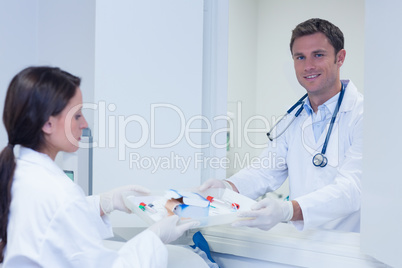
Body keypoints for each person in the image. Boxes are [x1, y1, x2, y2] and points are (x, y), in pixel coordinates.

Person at [0, 66, 198, 267]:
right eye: (77, 115)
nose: (85, 123)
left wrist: (104, 203)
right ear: (48, 124)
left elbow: (55, 223)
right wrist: (155, 238)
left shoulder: (20, 173)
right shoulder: (60, 193)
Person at [200, 18, 363, 233]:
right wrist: (226, 187)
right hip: (302, 245)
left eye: (319, 55)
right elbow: (264, 171)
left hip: (348, 248)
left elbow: (353, 188)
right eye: (300, 57)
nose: (308, 66)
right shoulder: (293, 118)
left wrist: (289, 210)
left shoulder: (363, 115)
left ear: (339, 58)